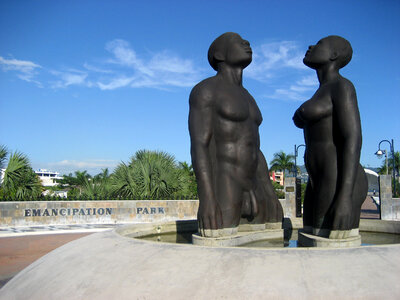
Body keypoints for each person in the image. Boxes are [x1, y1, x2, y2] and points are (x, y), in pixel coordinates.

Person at [189, 32, 283, 237]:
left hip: (256, 185)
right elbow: (199, 146)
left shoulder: (249, 98)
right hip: (226, 182)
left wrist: (269, 190)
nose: (246, 43)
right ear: (219, 55)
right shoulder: (206, 90)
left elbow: (255, 148)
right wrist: (207, 198)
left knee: (265, 246)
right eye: (238, 42)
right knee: (219, 247)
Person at [293, 35, 368, 239]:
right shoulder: (320, 92)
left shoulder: (342, 87)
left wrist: (345, 196)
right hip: (317, 178)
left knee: (327, 241)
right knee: (309, 235)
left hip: (337, 179)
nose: (311, 45)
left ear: (334, 55)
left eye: (319, 44)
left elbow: (353, 137)